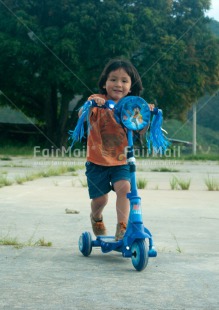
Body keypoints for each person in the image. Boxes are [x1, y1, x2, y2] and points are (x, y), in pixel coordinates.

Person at [80, 58, 149, 240]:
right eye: (113, 79)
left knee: (125, 188)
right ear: (104, 83)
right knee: (100, 199)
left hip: (121, 160)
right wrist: (91, 104)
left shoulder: (132, 107)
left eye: (124, 81)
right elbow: (82, 115)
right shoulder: (97, 101)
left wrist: (146, 115)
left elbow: (141, 128)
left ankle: (123, 227)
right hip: (97, 161)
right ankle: (96, 218)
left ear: (131, 87)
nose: (118, 84)